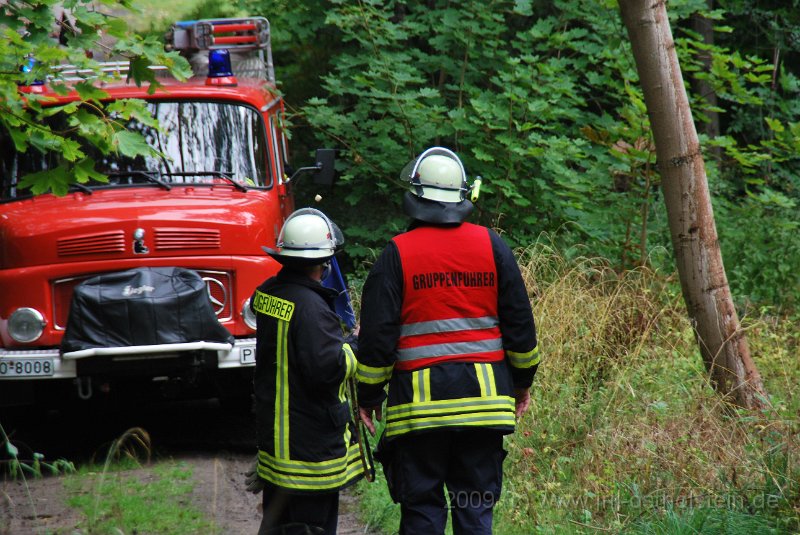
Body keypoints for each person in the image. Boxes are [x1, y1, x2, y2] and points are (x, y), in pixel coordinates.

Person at [356, 147, 539, 535]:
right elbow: (521, 328)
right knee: (474, 512)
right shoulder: (493, 246)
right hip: (485, 409)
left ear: (415, 197)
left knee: (423, 512)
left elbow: (376, 340)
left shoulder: (396, 255)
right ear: (462, 197)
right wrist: (523, 384)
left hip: (419, 413)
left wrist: (368, 396)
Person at [247, 208, 363, 535]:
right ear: (322, 261)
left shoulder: (269, 293)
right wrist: (354, 347)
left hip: (277, 447)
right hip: (308, 455)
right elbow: (326, 370)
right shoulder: (312, 308)